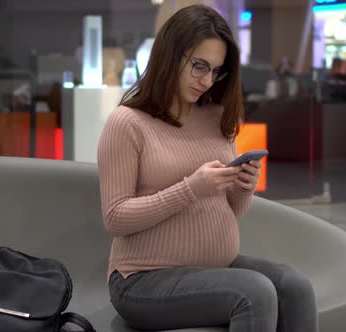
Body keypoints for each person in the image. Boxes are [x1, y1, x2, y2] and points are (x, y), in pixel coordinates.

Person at [97, 5, 318, 332]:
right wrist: (190, 189)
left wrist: (244, 185)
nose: (207, 80)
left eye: (216, 71)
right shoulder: (127, 123)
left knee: (295, 286)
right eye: (199, 66)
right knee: (254, 293)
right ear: (170, 55)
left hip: (213, 267)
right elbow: (115, 218)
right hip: (141, 280)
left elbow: (233, 210)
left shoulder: (216, 117)